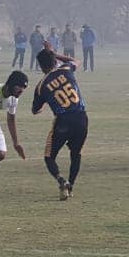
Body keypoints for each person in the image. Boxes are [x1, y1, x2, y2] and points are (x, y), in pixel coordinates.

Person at [32, 44, 85, 200]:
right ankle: (71, 187)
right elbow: (76, 60)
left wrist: (45, 102)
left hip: (63, 120)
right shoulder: (66, 69)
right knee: (76, 154)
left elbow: (35, 110)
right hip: (81, 117)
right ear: (55, 61)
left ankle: (61, 180)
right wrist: (54, 53)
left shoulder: (41, 85)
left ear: (40, 66)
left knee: (49, 157)